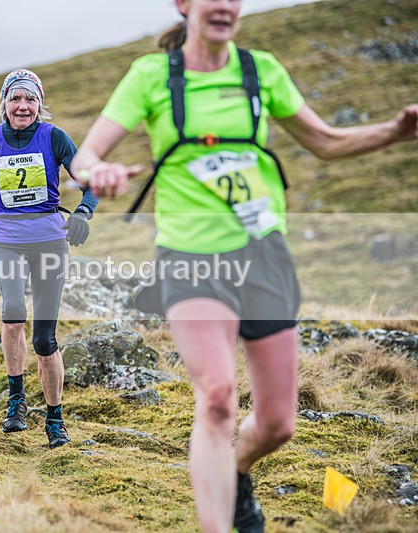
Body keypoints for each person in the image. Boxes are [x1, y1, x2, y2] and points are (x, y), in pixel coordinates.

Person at [71, 0, 418, 531]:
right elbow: (85, 156)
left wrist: (393, 130)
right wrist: (100, 172)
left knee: (279, 423)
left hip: (263, 257)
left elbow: (324, 141)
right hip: (190, 258)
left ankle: (233, 472)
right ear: (184, 4)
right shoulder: (151, 77)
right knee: (216, 397)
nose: (226, 5)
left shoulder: (262, 71)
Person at [0, 69, 99, 449]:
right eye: (15, 99)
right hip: (7, 240)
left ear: (40, 105)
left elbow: (90, 183)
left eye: (30, 99)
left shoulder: (54, 137)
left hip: (49, 241)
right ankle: (16, 401)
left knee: (44, 339)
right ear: (4, 104)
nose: (22, 106)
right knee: (12, 314)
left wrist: (82, 214)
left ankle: (55, 419)